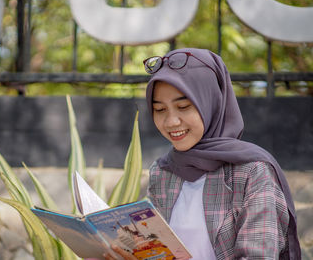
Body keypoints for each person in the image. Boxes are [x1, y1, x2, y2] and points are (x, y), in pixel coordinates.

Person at [104, 48, 301, 260]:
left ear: (211, 103)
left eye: (183, 106)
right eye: (160, 110)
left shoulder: (252, 173)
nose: (171, 122)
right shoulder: (162, 172)